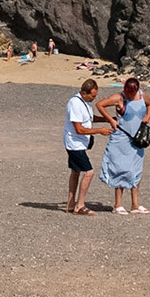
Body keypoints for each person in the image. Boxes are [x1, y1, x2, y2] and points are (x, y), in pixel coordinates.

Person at [96, 77, 150, 214]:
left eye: (131, 93)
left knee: (135, 169)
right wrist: (111, 120)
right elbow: (100, 104)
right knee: (120, 168)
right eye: (127, 92)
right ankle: (118, 204)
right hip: (121, 138)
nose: (129, 95)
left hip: (137, 139)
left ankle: (135, 204)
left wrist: (147, 117)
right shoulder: (118, 98)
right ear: (125, 89)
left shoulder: (141, 95)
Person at [63, 79, 113, 215]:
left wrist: (109, 119)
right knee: (89, 172)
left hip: (80, 143)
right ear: (84, 93)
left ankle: (70, 204)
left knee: (75, 171)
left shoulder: (85, 102)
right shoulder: (75, 103)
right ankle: (80, 205)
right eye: (92, 96)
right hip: (74, 143)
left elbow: (89, 118)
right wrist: (100, 131)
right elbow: (79, 129)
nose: (94, 98)